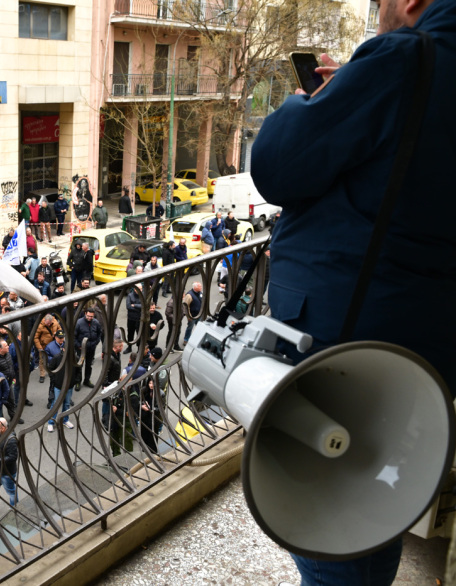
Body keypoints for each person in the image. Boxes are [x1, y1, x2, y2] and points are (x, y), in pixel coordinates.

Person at [250, 0, 454, 583]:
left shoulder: (405, 58)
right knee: (376, 497)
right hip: (426, 345)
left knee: (334, 519)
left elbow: (278, 165)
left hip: (348, 347)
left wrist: (309, 101)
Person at [33, 314, 61, 384]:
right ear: (45, 321)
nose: (48, 324)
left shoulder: (55, 323)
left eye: (49, 323)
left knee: (54, 358)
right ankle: (42, 375)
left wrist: (56, 334)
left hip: (53, 345)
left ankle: (54, 371)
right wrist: (39, 348)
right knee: (42, 360)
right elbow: (36, 337)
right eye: (47, 323)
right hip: (43, 346)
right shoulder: (40, 326)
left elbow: (60, 329)